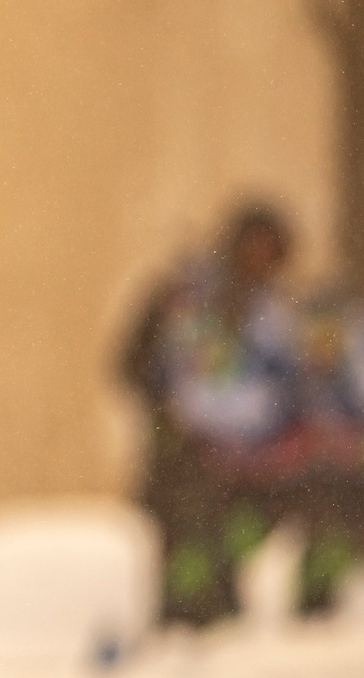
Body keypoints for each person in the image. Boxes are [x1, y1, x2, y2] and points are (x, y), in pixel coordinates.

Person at [117, 200, 302, 628]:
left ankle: (215, 643)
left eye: (270, 253)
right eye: (253, 248)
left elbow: (292, 387)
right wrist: (167, 416)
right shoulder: (183, 300)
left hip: (252, 470)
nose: (260, 261)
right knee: (187, 567)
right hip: (185, 464)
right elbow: (132, 365)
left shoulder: (274, 317)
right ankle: (182, 646)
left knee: (227, 561)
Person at [282, 281, 364, 617]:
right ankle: (317, 593)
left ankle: (342, 588)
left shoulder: (363, 355)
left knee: (349, 524)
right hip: (318, 461)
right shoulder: (304, 368)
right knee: (321, 521)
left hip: (359, 461)